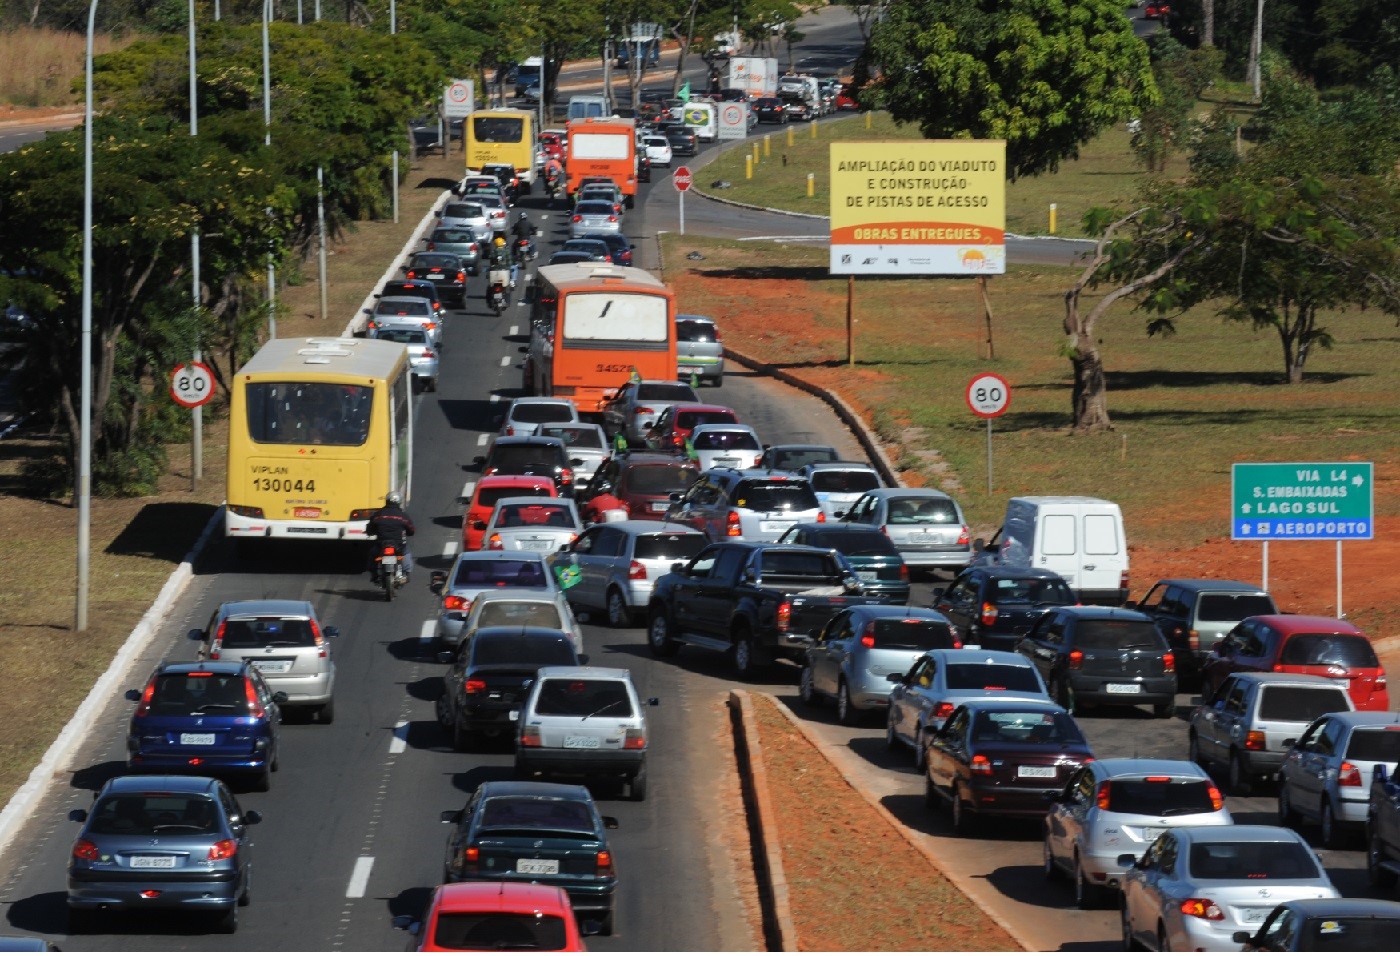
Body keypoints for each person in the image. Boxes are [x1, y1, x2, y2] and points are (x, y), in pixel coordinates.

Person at [367, 491, 415, 581]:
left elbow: (370, 528)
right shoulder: (403, 516)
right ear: (399, 502)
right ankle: (406, 574)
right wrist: (409, 532)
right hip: (399, 544)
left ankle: (374, 574)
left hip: (381, 544)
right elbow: (411, 530)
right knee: (406, 553)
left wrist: (369, 532)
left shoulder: (378, 514)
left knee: (372, 554)